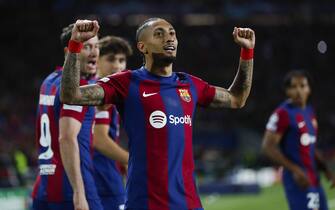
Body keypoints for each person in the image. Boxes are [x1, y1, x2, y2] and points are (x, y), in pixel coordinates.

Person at [60, 18, 255, 210]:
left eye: (172, 33)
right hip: (144, 203)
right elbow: (71, 95)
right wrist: (76, 44)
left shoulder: (190, 84)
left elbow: (237, 98)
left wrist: (247, 53)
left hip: (189, 203)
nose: (169, 39)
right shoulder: (125, 83)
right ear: (142, 47)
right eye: (159, 34)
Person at [31, 23, 104, 210]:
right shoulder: (76, 88)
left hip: (45, 186)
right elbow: (66, 138)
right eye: (87, 46)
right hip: (71, 189)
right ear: (69, 50)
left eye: (97, 46)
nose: (95, 52)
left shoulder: (49, 81)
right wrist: (79, 194)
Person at [262, 70, 335, 210]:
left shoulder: (309, 111)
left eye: (302, 86)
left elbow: (310, 147)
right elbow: (267, 147)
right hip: (298, 181)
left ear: (309, 89)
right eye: (293, 87)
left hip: (313, 178)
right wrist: (296, 170)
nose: (299, 91)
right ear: (287, 91)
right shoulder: (282, 113)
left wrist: (326, 170)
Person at [93, 35, 132, 210]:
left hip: (101, 173)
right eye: (110, 59)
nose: (117, 65)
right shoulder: (100, 92)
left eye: (121, 60)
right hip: (102, 177)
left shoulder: (108, 92)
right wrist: (133, 161)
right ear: (96, 60)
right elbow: (99, 140)